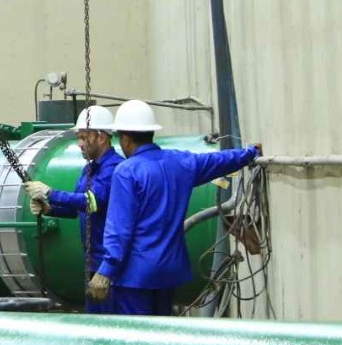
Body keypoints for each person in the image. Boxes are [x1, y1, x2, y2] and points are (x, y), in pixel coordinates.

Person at [91, 100, 261, 315]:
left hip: (135, 277)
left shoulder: (126, 171)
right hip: (168, 272)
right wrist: (249, 153)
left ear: (125, 139)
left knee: (137, 333)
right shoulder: (180, 162)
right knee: (162, 330)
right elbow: (217, 161)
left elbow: (120, 228)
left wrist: (106, 269)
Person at [25, 106, 121, 312]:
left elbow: (91, 202)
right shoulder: (89, 169)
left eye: (84, 137)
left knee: (110, 321)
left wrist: (50, 193)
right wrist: (49, 209)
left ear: (101, 137)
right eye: (79, 138)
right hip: (92, 261)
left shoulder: (114, 168)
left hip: (109, 263)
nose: (80, 144)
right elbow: (76, 209)